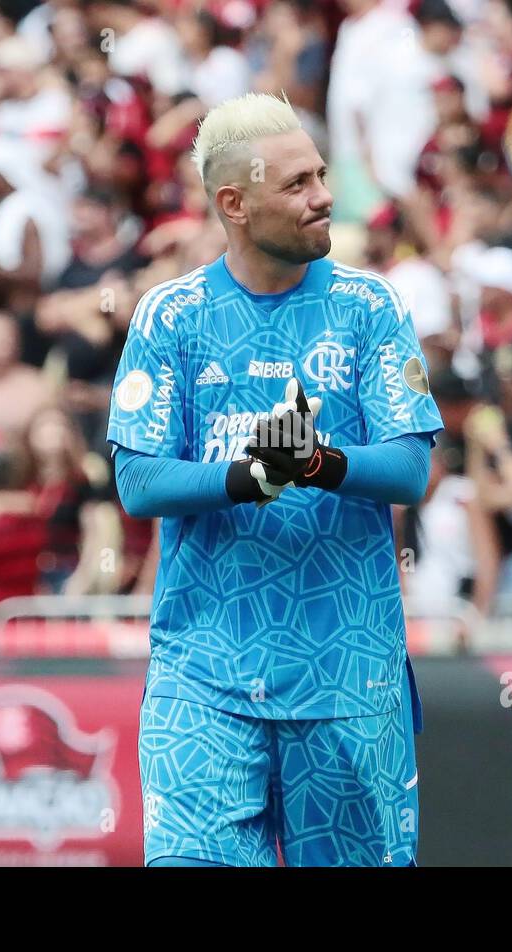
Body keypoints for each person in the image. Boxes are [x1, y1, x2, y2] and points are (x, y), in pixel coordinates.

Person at [107, 92, 443, 867]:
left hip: (349, 682)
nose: (325, 196)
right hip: (205, 682)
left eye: (321, 175)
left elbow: (411, 470)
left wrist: (318, 464)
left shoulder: (370, 307)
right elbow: (140, 482)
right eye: (298, 184)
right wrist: (246, 477)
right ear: (235, 203)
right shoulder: (170, 317)